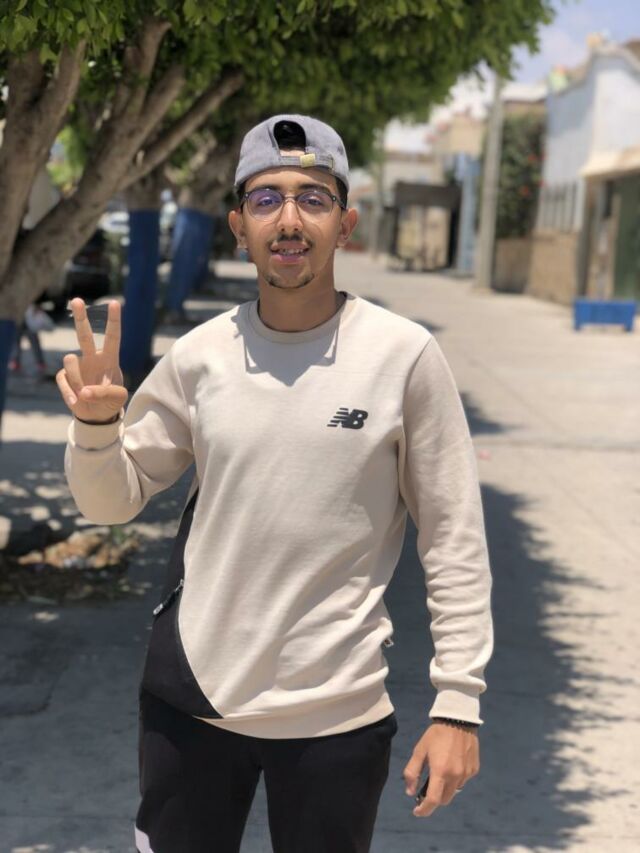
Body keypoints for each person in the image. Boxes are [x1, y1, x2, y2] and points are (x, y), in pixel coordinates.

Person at [58, 115, 493, 853]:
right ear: (239, 226)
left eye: (312, 198)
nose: (289, 220)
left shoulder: (404, 357)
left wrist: (459, 702)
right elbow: (111, 499)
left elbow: (453, 537)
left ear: (345, 224)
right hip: (192, 701)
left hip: (338, 715)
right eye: (266, 199)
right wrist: (98, 427)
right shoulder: (201, 357)